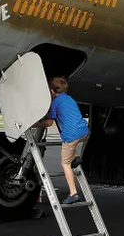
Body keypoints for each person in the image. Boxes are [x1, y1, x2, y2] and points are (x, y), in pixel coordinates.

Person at [34, 77, 90, 205]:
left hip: (71, 136)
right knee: (72, 143)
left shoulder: (55, 103)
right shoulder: (69, 99)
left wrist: (35, 125)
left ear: (52, 91)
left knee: (65, 164)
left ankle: (73, 193)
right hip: (83, 131)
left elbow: (49, 122)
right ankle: (76, 157)